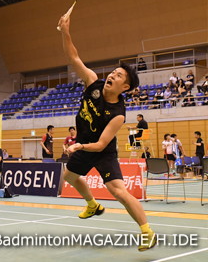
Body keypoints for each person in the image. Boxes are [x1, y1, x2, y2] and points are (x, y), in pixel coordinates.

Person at [58, 14, 156, 251]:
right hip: (83, 143)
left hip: (101, 150)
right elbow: (74, 56)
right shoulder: (93, 82)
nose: (112, 75)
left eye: (119, 75)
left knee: (118, 191)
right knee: (68, 178)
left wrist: (78, 147)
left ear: (126, 87)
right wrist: (65, 31)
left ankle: (147, 232)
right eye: (114, 72)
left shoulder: (118, 114)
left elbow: (101, 145)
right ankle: (92, 205)